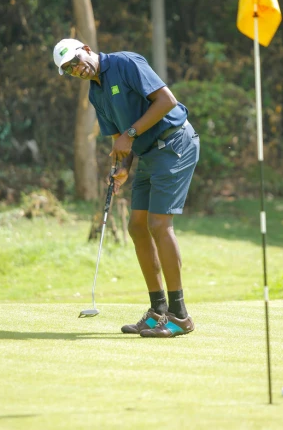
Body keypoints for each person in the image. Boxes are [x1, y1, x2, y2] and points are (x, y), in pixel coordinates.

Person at [53, 38, 200, 338]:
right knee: (137, 226)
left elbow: (166, 101)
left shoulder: (125, 63)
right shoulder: (96, 93)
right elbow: (118, 136)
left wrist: (131, 135)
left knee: (159, 224)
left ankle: (180, 316)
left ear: (87, 50)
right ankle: (158, 310)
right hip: (148, 153)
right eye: (69, 70)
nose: (77, 69)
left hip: (175, 144)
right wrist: (123, 169)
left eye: (76, 61)